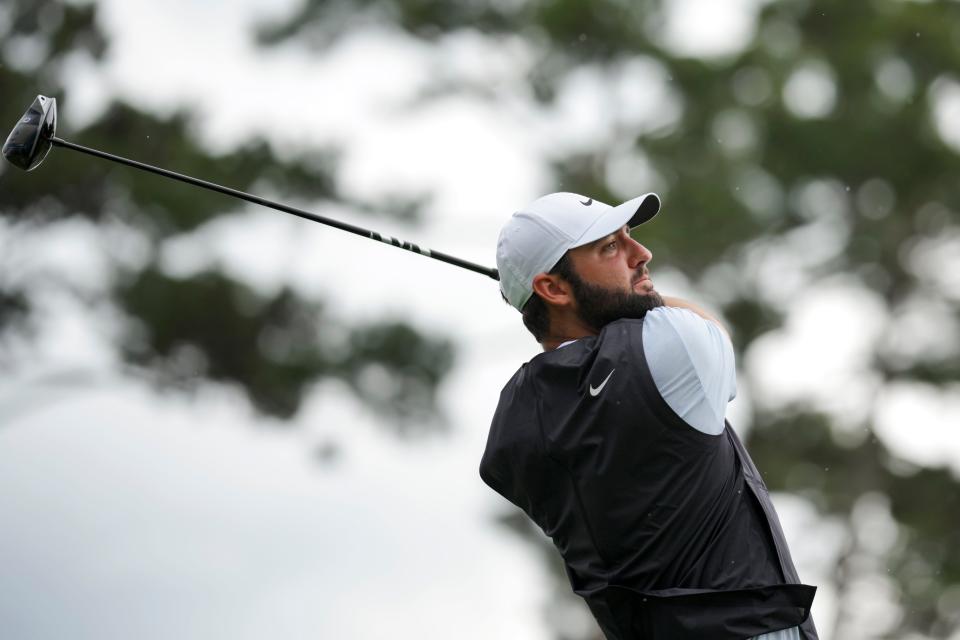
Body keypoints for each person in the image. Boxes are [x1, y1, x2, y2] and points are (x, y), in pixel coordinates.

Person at [479, 192, 818, 640]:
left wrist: (574, 301)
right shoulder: (673, 350)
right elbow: (698, 324)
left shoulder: (513, 428)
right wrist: (645, 296)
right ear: (554, 288)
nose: (642, 254)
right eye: (610, 248)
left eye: (628, 237)